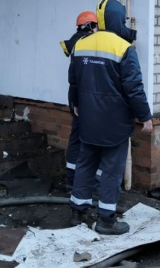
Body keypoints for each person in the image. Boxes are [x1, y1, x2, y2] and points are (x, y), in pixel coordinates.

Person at [68, 0, 153, 235]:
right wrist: (145, 116)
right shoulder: (124, 49)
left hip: (88, 121)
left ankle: (77, 213)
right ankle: (106, 221)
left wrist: (75, 104)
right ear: (117, 19)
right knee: (111, 171)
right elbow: (134, 89)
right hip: (115, 124)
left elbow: (73, 81)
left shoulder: (80, 45)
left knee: (85, 165)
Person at [59, 11, 99, 190]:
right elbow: (77, 76)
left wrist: (74, 101)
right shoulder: (86, 42)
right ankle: (88, 182)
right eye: (96, 26)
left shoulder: (75, 42)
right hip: (85, 99)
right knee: (91, 139)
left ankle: (71, 179)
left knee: (76, 138)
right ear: (90, 26)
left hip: (77, 98)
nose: (98, 30)